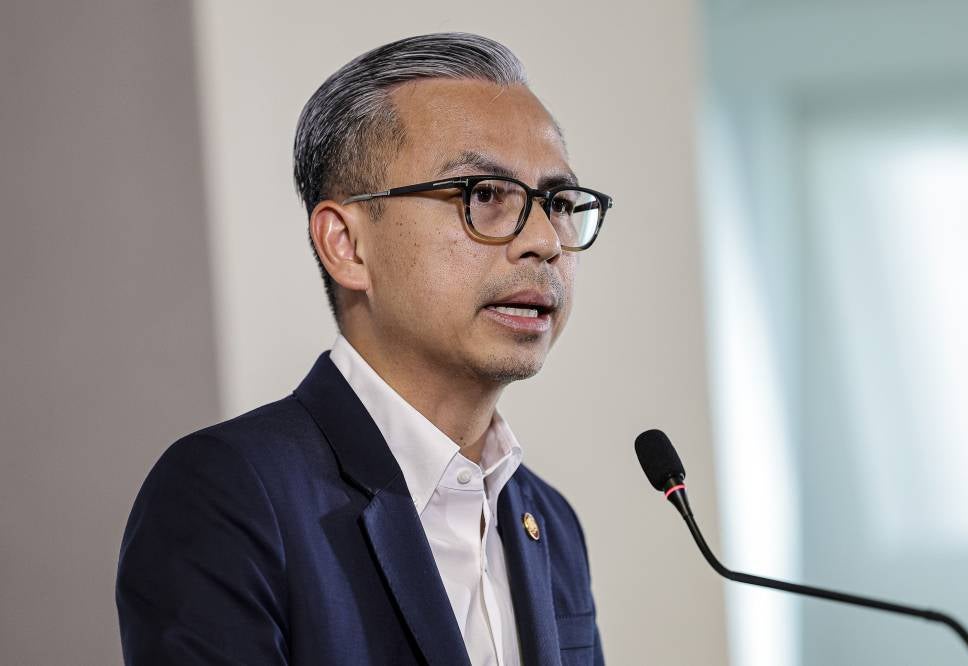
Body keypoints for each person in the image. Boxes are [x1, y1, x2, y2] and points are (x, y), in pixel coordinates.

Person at [116, 32, 612, 666]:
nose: (544, 240)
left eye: (561, 203)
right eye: (484, 195)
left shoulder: (549, 521)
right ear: (346, 244)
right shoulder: (231, 495)